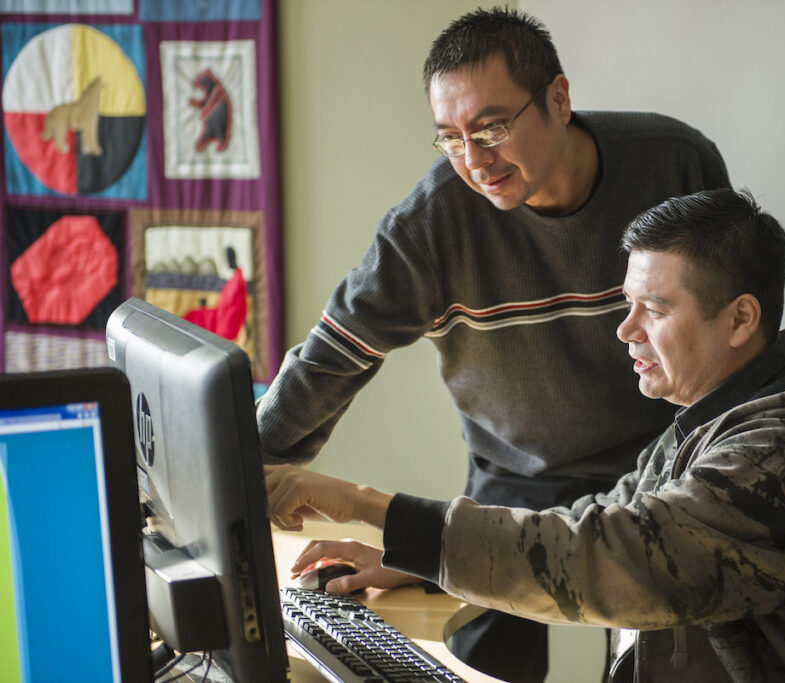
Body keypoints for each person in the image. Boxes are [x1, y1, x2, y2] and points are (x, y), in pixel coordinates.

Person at [265, 188, 785, 681]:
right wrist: (411, 556)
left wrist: (359, 500)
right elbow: (592, 521)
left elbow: (604, 558)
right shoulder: (718, 417)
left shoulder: (784, 457)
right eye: (627, 303)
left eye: (655, 309)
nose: (625, 329)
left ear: (739, 319)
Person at [256, 7, 729, 680]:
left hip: (663, 476)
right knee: (469, 666)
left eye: (492, 127)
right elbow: (332, 358)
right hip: (513, 486)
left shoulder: (675, 166)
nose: (475, 161)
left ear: (559, 100)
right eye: (450, 138)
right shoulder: (431, 223)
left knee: (665, 665)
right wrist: (240, 475)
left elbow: (734, 336)